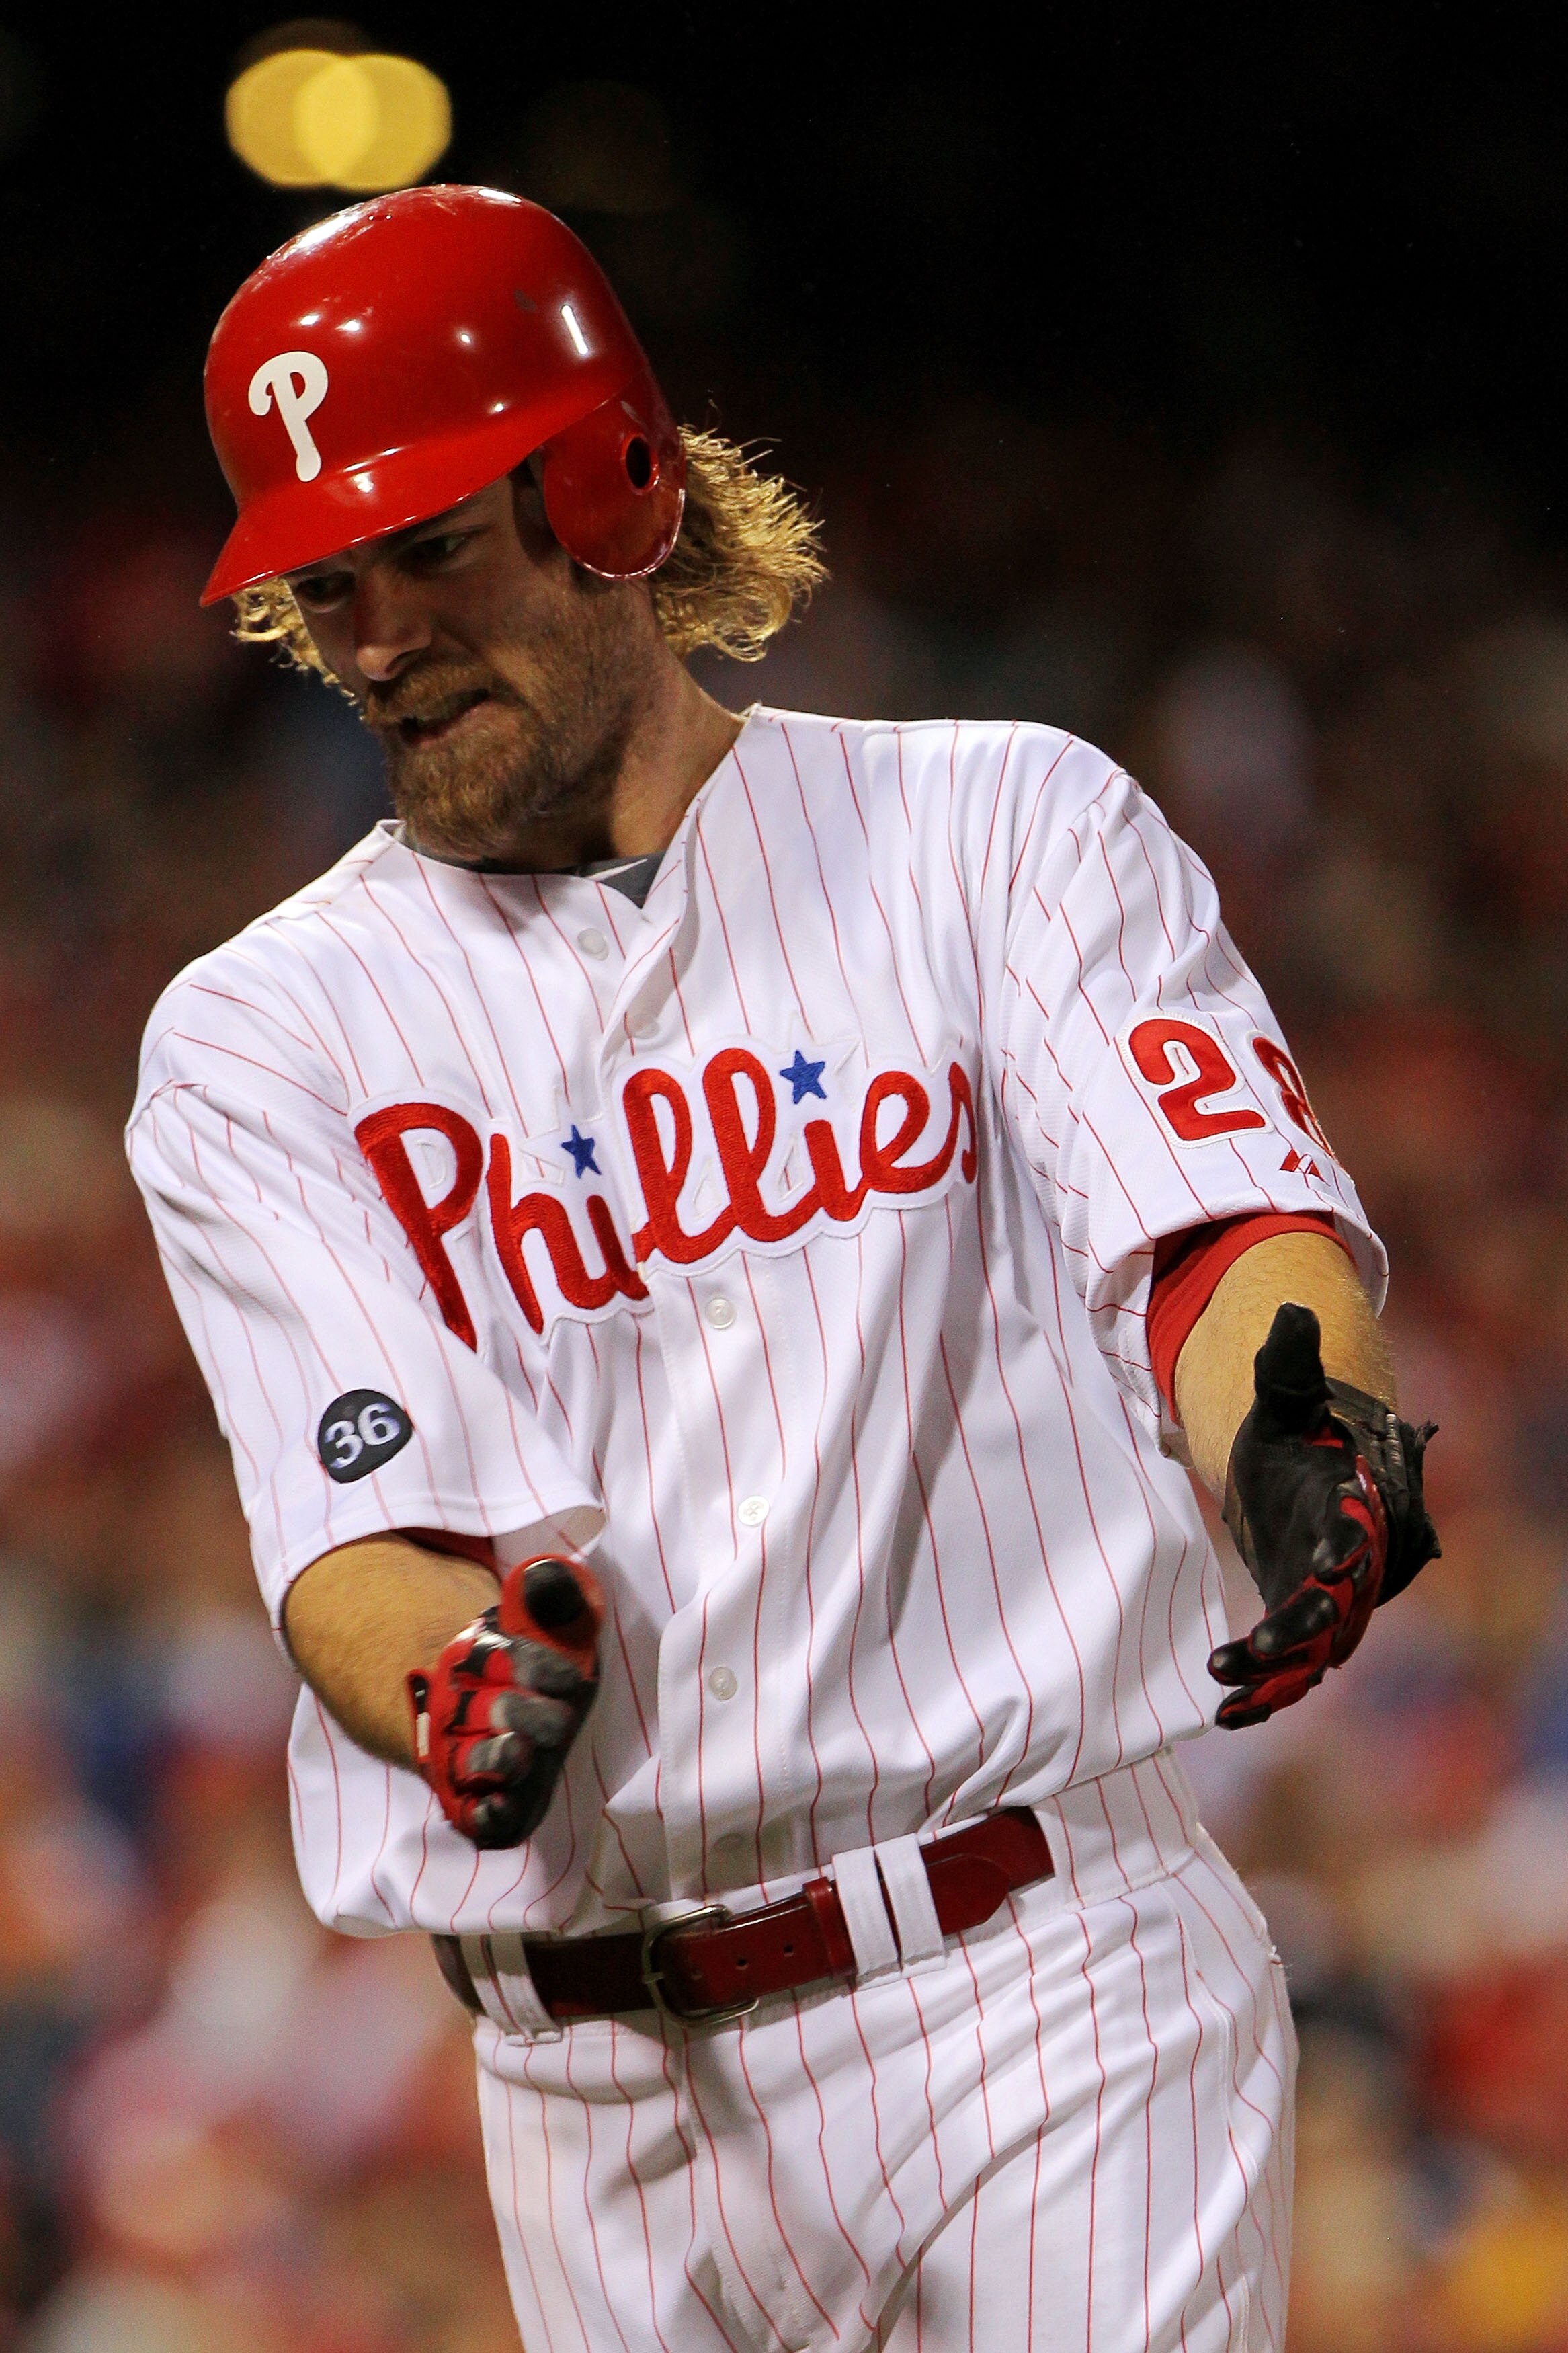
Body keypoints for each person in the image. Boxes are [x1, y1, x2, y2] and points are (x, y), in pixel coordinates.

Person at [128, 184, 1438, 2353]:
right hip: (590, 2093)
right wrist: (456, 1678)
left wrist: (1301, 1427)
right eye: (326, 583)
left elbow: (1222, 1241)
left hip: (1038, 1992)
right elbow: (352, 1540)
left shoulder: (998, 828)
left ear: (615, 490)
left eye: (429, 548)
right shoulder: (261, 1036)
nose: (374, 635)